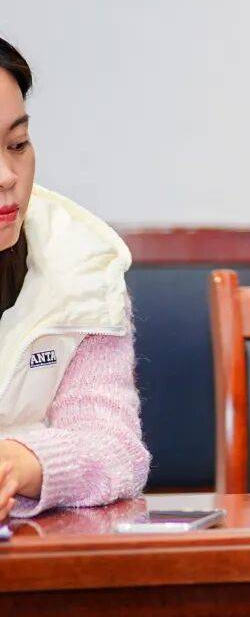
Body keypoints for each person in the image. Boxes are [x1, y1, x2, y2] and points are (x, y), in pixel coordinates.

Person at [0, 36, 150, 519]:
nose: (7, 176)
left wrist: (23, 463)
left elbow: (115, 448)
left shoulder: (81, 262)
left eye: (17, 145)